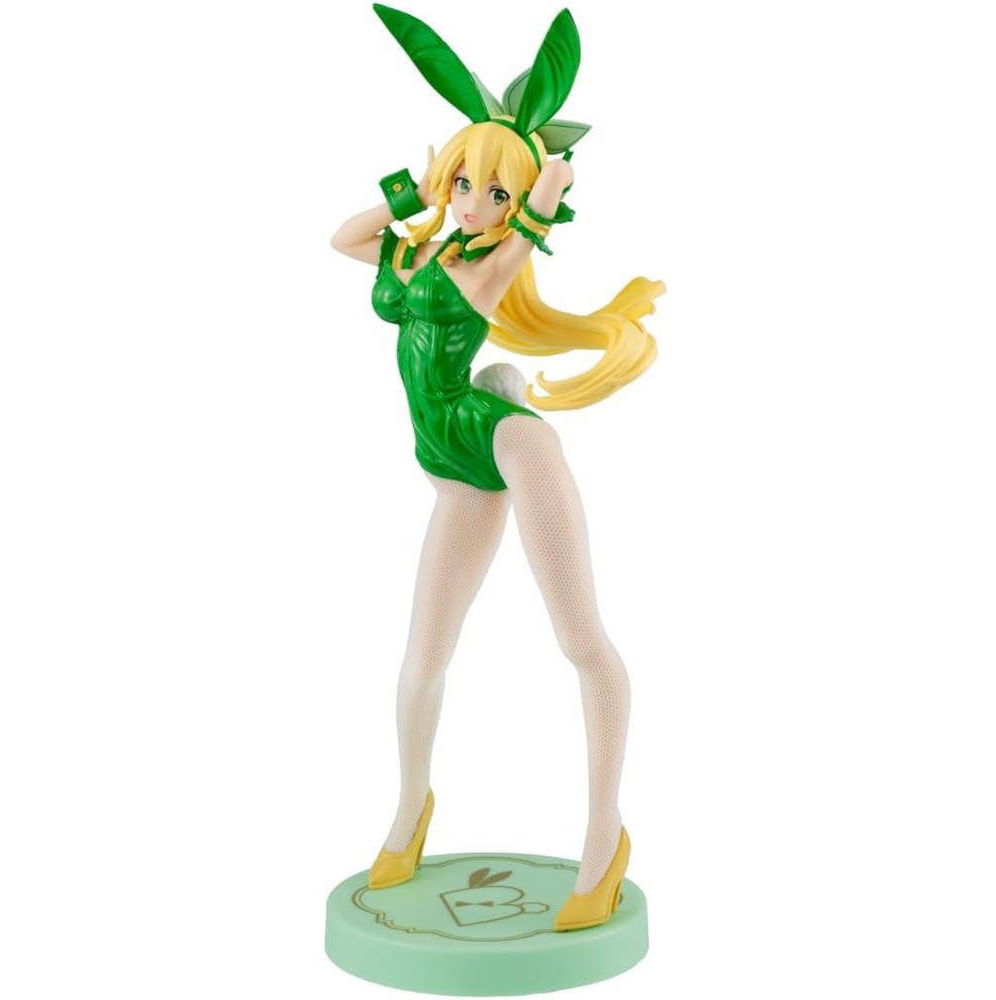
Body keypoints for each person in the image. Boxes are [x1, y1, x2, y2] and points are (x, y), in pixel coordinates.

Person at [330, 3, 665, 931]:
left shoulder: (483, 266)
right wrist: (415, 196)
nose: (474, 202)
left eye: (494, 193)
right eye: (465, 181)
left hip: (503, 440)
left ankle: (605, 836)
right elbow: (345, 240)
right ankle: (410, 814)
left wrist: (545, 190)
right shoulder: (415, 252)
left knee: (580, 640)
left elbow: (522, 231)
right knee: (422, 659)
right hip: (449, 461)